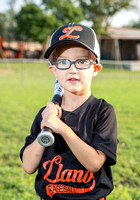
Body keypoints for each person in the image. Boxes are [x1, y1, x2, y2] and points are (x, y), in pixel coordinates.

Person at [20, 23, 118, 200]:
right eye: (63, 62)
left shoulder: (103, 112)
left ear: (95, 69)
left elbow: (94, 163)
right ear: (54, 71)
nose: (72, 68)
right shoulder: (46, 114)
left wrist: (62, 129)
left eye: (82, 61)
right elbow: (28, 166)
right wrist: (45, 130)